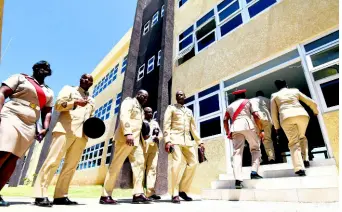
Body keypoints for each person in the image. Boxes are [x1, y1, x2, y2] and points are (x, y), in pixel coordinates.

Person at [33, 74, 95, 207]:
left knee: (71, 166)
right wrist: (75, 103)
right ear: (80, 79)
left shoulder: (91, 100)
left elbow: (90, 117)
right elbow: (58, 105)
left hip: (82, 135)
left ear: (91, 83)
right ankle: (40, 194)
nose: (86, 80)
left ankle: (61, 196)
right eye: (84, 77)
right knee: (53, 161)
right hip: (65, 130)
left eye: (89, 79)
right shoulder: (69, 89)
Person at [0, 61, 54, 207]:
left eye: (47, 68)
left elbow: (47, 111)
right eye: (41, 67)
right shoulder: (21, 78)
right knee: (4, 151)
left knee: (12, 159)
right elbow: (2, 92)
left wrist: (45, 128)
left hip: (30, 124)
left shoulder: (49, 91)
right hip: (12, 114)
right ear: (34, 69)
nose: (44, 69)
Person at [100, 90, 151, 205]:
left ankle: (138, 194)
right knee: (116, 165)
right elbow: (124, 116)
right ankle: (105, 195)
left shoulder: (141, 110)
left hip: (137, 141)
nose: (145, 98)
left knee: (140, 164)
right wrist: (128, 133)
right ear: (138, 95)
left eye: (146, 97)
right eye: (143, 96)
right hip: (125, 139)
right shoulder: (129, 102)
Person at [164, 90, 205, 204]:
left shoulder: (189, 111)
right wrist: (167, 140)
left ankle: (182, 189)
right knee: (177, 164)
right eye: (177, 95)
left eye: (181, 94)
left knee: (193, 163)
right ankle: (175, 193)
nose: (179, 96)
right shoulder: (171, 108)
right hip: (174, 139)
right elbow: (166, 124)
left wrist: (199, 142)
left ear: (185, 96)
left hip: (187, 140)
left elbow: (193, 128)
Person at [271, 80, 318, 176]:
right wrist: (315, 111)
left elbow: (273, 113)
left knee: (293, 142)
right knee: (302, 137)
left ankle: (299, 168)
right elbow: (311, 102)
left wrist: (277, 127)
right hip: (302, 115)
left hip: (286, 117)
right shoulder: (295, 91)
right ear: (286, 85)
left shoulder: (275, 95)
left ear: (277, 87)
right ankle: (305, 159)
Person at [223, 89, 263, 189]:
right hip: (247, 125)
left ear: (235, 97)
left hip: (235, 128)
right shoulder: (248, 101)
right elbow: (256, 116)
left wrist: (228, 132)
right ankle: (254, 172)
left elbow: (225, 120)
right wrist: (261, 129)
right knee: (255, 148)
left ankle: (238, 179)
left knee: (237, 153)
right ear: (244, 95)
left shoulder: (229, 106)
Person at [141, 107, 163, 200]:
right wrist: (149, 140)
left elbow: (160, 133)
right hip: (143, 148)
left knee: (152, 169)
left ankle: (150, 192)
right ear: (144, 113)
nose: (150, 113)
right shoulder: (141, 122)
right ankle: (140, 192)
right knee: (141, 169)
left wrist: (158, 138)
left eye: (151, 112)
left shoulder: (155, 123)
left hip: (154, 148)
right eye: (148, 112)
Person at [250, 90, 276, 163]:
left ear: (256, 95)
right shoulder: (268, 100)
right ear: (263, 95)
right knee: (267, 139)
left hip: (256, 120)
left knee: (257, 140)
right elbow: (273, 111)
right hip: (267, 119)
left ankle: (258, 159)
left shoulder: (251, 100)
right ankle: (271, 157)